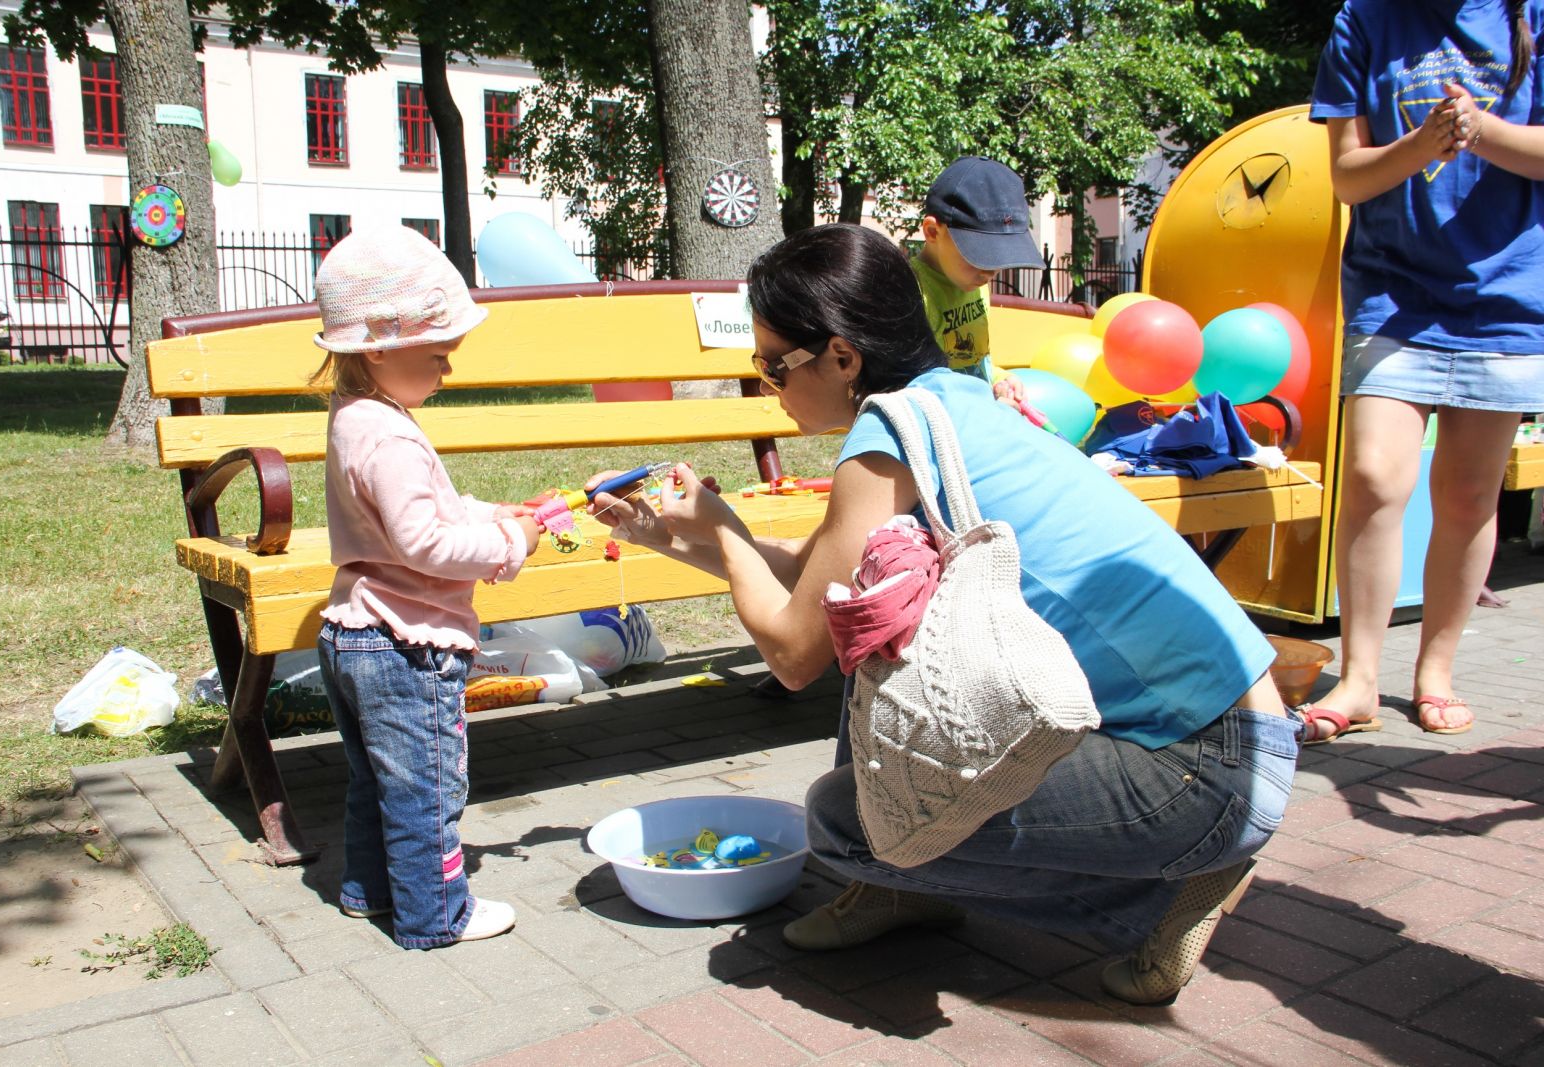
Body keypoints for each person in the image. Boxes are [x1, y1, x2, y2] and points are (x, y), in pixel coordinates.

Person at [590, 224, 1301, 1005]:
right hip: (1234, 735)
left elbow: (795, 653)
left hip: (1203, 771)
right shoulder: (951, 401)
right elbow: (824, 579)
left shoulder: (887, 437)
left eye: (772, 364)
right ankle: (914, 888)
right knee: (880, 639)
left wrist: (723, 534)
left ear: (842, 356)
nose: (765, 385)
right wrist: (672, 537)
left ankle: (1157, 896)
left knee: (848, 822)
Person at [1306, 0, 1544, 742]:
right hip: (1393, 295)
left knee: (1470, 495)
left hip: (1505, 295)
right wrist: (1425, 142)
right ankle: (1360, 678)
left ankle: (1436, 670)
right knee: (1376, 476)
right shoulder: (1365, 18)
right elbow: (1347, 176)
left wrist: (1483, 131)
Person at [309, 226, 542, 949]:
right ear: (377, 346)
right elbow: (425, 542)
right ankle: (436, 913)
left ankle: (369, 889)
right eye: (437, 353)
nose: (447, 368)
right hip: (407, 645)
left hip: (353, 635)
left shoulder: (360, 418)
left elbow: (417, 513)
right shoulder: (393, 436)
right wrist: (510, 544)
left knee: (375, 782)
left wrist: (489, 511)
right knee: (428, 790)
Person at [912, 156, 1041, 405]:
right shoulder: (912, 294)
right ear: (932, 232)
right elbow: (912, 391)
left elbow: (977, 361)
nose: (990, 273)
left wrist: (999, 380)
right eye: (980, 257)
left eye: (998, 260)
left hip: (976, 419)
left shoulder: (973, 280)